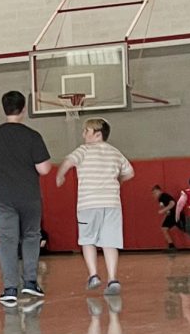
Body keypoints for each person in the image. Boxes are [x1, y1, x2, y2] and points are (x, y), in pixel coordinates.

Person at [0, 90, 53, 307]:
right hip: (29, 196)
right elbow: (44, 169)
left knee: (7, 240)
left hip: (2, 197)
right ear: (24, 109)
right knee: (30, 236)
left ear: (4, 109)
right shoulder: (33, 136)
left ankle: (9, 288)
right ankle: (29, 281)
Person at [55, 118, 134, 295]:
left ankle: (93, 275)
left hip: (88, 204)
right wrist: (117, 181)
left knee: (87, 239)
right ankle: (113, 279)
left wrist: (60, 176)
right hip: (112, 204)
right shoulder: (115, 152)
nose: (83, 134)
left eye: (86, 131)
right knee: (110, 242)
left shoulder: (83, 150)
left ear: (98, 134)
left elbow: (68, 162)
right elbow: (130, 173)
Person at [152, 185, 181, 253]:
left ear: (160, 191)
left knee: (187, 229)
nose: (154, 194)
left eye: (155, 192)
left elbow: (172, 203)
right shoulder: (160, 199)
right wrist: (166, 211)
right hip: (171, 215)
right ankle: (171, 246)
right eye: (153, 193)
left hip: (174, 215)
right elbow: (166, 206)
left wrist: (163, 210)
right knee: (164, 228)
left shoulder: (163, 196)